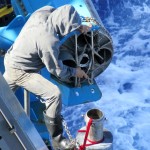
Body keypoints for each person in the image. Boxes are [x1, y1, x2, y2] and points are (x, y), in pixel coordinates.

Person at [3, 5, 91, 150]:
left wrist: (79, 27)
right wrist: (76, 72)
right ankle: (58, 140)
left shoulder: (46, 11)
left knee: (3, 93)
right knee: (53, 94)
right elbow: (58, 71)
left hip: (13, 56)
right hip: (20, 71)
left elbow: (61, 18)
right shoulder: (49, 41)